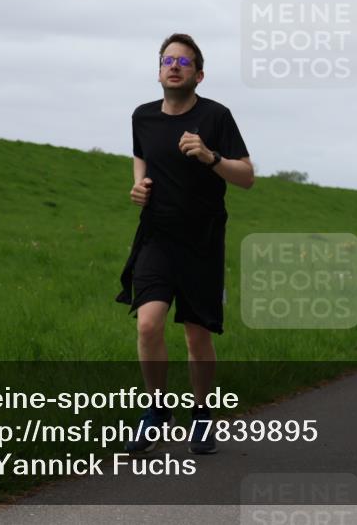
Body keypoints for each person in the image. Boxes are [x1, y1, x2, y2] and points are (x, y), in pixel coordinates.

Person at [117, 33, 254, 455]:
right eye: (167, 59)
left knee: (197, 336)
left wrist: (210, 156)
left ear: (199, 74)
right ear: (159, 69)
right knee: (148, 324)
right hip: (156, 235)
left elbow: (247, 176)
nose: (174, 66)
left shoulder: (216, 117)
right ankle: (158, 410)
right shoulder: (143, 116)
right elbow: (141, 156)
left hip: (202, 240)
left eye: (184, 61)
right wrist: (138, 185)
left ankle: (200, 415)